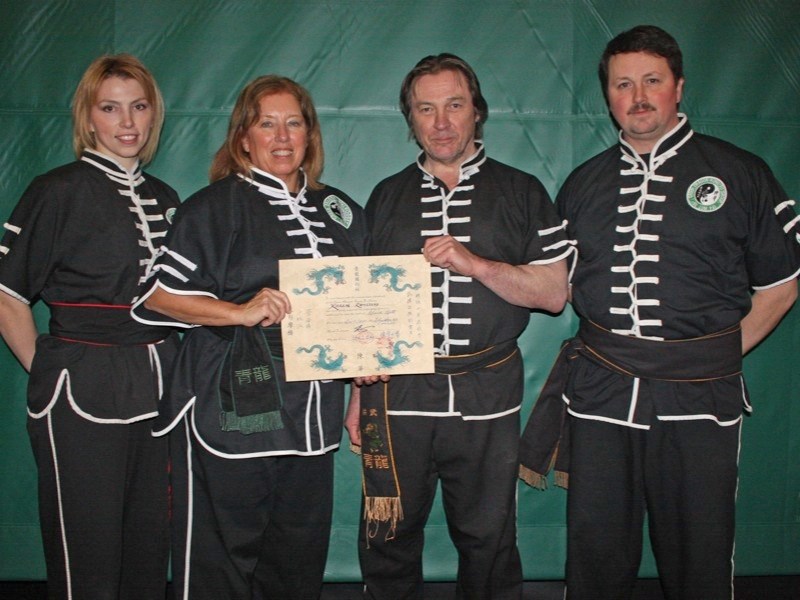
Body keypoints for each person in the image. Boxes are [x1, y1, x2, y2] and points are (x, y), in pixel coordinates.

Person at [519, 25, 800, 600]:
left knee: (699, 547)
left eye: (652, 81)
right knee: (596, 548)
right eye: (623, 84)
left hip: (700, 394)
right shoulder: (582, 184)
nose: (638, 96)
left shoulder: (740, 172)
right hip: (602, 389)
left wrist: (713, 352)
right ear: (609, 96)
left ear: (678, 87)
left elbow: (782, 284)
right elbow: (562, 284)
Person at [131, 75, 368, 600]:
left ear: (310, 134)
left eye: (294, 123)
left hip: (312, 413)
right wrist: (238, 312)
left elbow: (361, 313)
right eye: (267, 124)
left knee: (295, 557)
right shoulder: (214, 208)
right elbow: (157, 296)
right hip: (232, 403)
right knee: (221, 563)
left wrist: (362, 381)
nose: (282, 137)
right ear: (243, 137)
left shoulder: (341, 213)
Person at [345, 53, 572, 599]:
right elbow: (360, 304)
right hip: (397, 395)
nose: (441, 123)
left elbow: (555, 293)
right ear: (411, 119)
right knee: (388, 533)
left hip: (486, 390)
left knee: (488, 535)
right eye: (426, 109)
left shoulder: (522, 192)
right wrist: (356, 393)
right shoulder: (385, 195)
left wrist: (475, 264)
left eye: (454, 105)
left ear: (477, 112)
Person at [0, 54, 180, 599]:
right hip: (80, 388)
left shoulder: (166, 198)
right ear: (89, 117)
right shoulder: (56, 190)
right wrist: (54, 372)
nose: (127, 122)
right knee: (89, 556)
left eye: (139, 106)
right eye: (110, 108)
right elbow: (7, 296)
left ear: (153, 115)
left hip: (160, 388)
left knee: (149, 548)